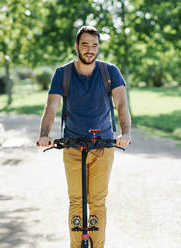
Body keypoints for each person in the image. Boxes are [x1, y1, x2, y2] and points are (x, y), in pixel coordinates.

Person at [37, 26, 131, 248]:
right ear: (77, 46)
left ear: (98, 47)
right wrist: (44, 135)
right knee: (77, 203)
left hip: (104, 147)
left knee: (97, 202)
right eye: (85, 45)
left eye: (94, 45)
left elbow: (121, 104)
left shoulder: (110, 72)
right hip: (73, 146)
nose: (90, 50)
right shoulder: (64, 73)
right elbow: (51, 107)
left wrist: (125, 133)